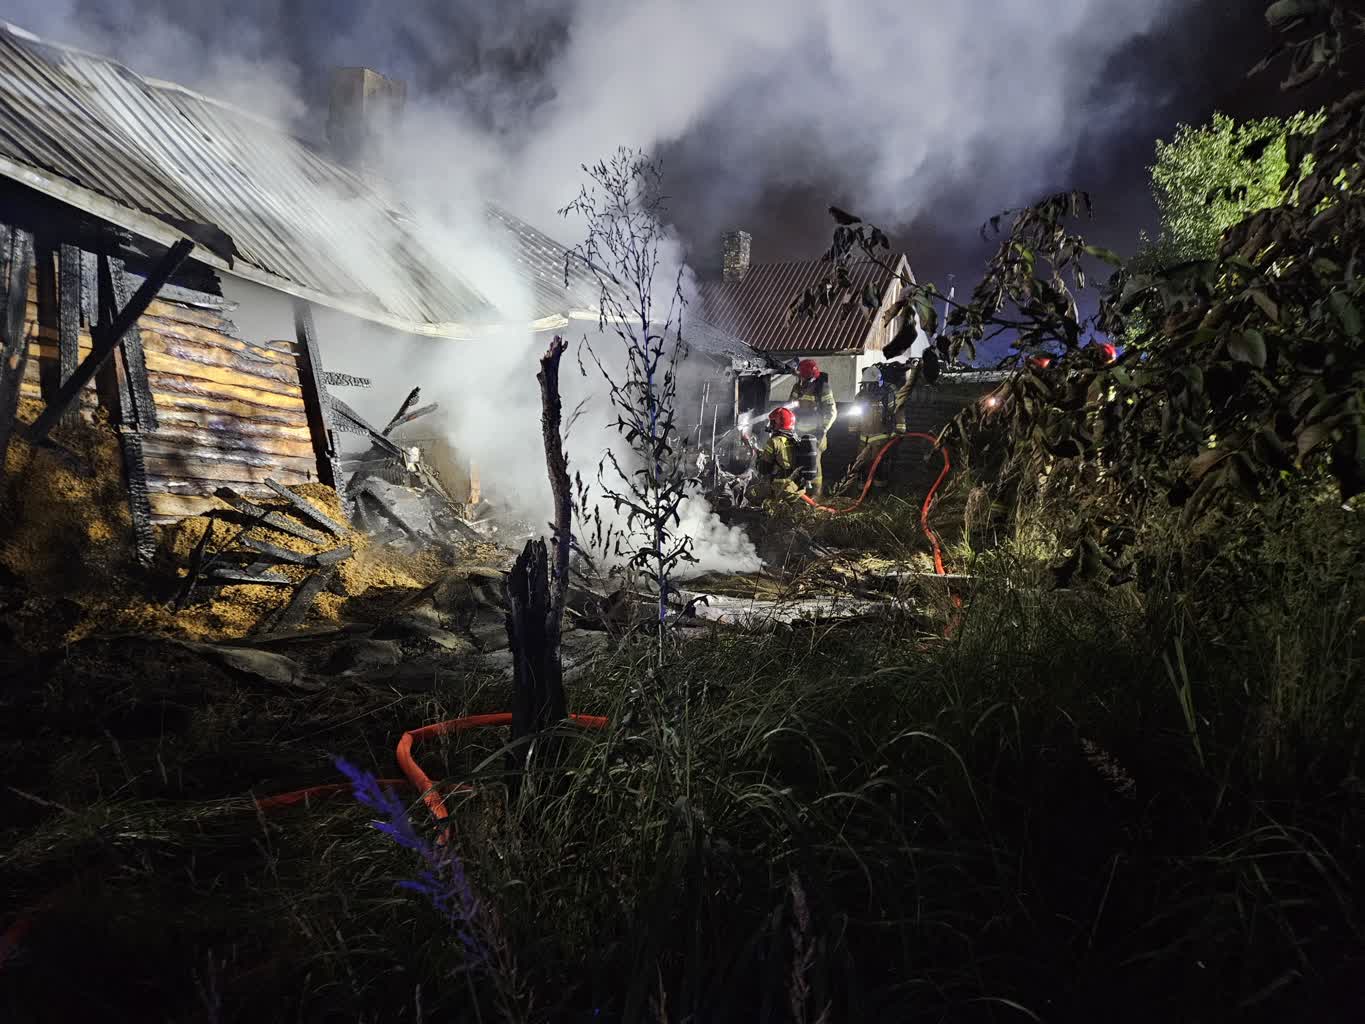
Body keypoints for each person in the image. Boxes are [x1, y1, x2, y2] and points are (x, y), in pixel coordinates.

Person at [839, 363, 905, 494]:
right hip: (863, 439)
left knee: (879, 467)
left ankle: (878, 495)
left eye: (870, 384)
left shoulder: (888, 396)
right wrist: (852, 429)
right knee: (861, 467)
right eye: (865, 384)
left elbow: (898, 412)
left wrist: (899, 430)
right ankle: (862, 494)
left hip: (881, 438)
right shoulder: (860, 397)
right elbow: (854, 415)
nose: (867, 387)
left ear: (877, 383)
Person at [788, 358, 837, 497]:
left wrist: (823, 429)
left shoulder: (822, 388)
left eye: (802, 376)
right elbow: (790, 406)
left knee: (814, 465)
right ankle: (799, 496)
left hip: (816, 433)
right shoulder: (797, 387)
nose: (800, 379)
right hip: (797, 433)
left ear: (809, 376)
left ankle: (815, 496)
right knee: (797, 463)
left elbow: (831, 411)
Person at [750, 406, 802, 503]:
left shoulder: (774, 441)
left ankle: (766, 509)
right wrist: (758, 451)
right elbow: (782, 457)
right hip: (795, 486)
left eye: (772, 422)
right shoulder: (794, 439)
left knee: (750, 493)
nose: (770, 425)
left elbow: (763, 469)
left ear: (778, 423)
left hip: (781, 487)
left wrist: (758, 460)